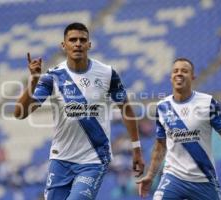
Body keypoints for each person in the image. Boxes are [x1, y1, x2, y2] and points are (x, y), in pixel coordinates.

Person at [14, 22, 144, 200]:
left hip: (94, 159)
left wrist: (136, 149)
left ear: (89, 45)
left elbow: (126, 109)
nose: (77, 44)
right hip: (61, 159)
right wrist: (34, 80)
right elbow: (20, 113)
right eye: (72, 40)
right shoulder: (52, 77)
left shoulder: (107, 74)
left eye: (82, 40)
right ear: (63, 45)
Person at [137, 58, 221, 200]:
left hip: (203, 179)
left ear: (193, 77)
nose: (179, 74)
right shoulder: (162, 107)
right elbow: (160, 146)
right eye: (175, 71)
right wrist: (150, 176)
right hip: (174, 178)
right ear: (171, 77)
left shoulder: (208, 102)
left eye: (185, 71)